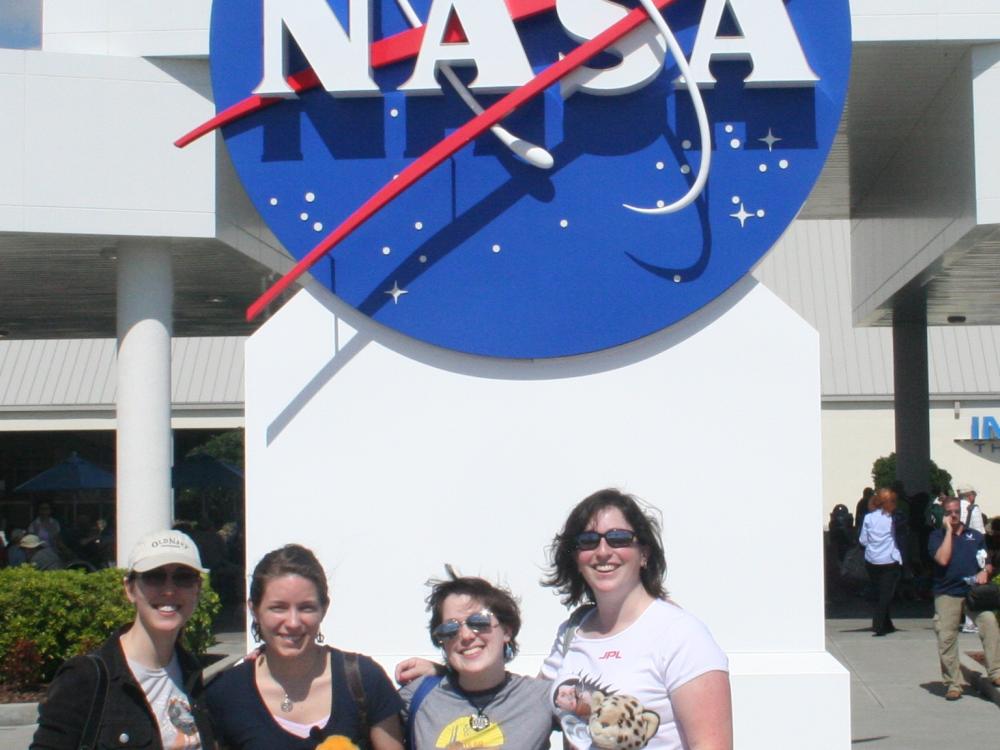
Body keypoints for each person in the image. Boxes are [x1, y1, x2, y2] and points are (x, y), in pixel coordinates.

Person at [541, 488, 731, 750]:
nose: (603, 551)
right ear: (575, 558)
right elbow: (525, 708)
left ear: (644, 553)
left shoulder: (681, 635)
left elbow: (712, 745)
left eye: (618, 538)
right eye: (588, 541)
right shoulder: (572, 632)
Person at [205, 544, 404, 749]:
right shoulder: (226, 693)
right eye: (278, 608)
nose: (293, 622)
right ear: (254, 610)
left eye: (306, 608)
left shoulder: (365, 680)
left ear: (323, 609)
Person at [31, 529, 215, 749]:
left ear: (197, 589)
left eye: (183, 577)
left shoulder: (192, 673)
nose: (169, 589)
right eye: (154, 576)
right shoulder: (86, 677)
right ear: (129, 588)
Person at [399, 574, 553, 749]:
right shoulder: (416, 696)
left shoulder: (542, 698)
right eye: (450, 628)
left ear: (507, 631)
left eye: (479, 621)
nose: (466, 636)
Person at [928, 496, 1000, 700]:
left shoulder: (975, 536)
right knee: (946, 636)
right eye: (949, 512)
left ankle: (995, 672)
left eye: (956, 512)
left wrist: (986, 570)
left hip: (973, 593)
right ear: (943, 513)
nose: (953, 515)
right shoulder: (936, 536)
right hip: (947, 593)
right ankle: (953, 683)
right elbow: (942, 559)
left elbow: (986, 561)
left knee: (989, 623)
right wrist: (949, 532)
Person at [857, 488, 907, 636]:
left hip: (872, 559)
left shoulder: (869, 518)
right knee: (886, 594)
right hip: (889, 559)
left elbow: (863, 540)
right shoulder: (894, 518)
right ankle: (878, 624)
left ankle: (887, 623)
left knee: (879, 591)